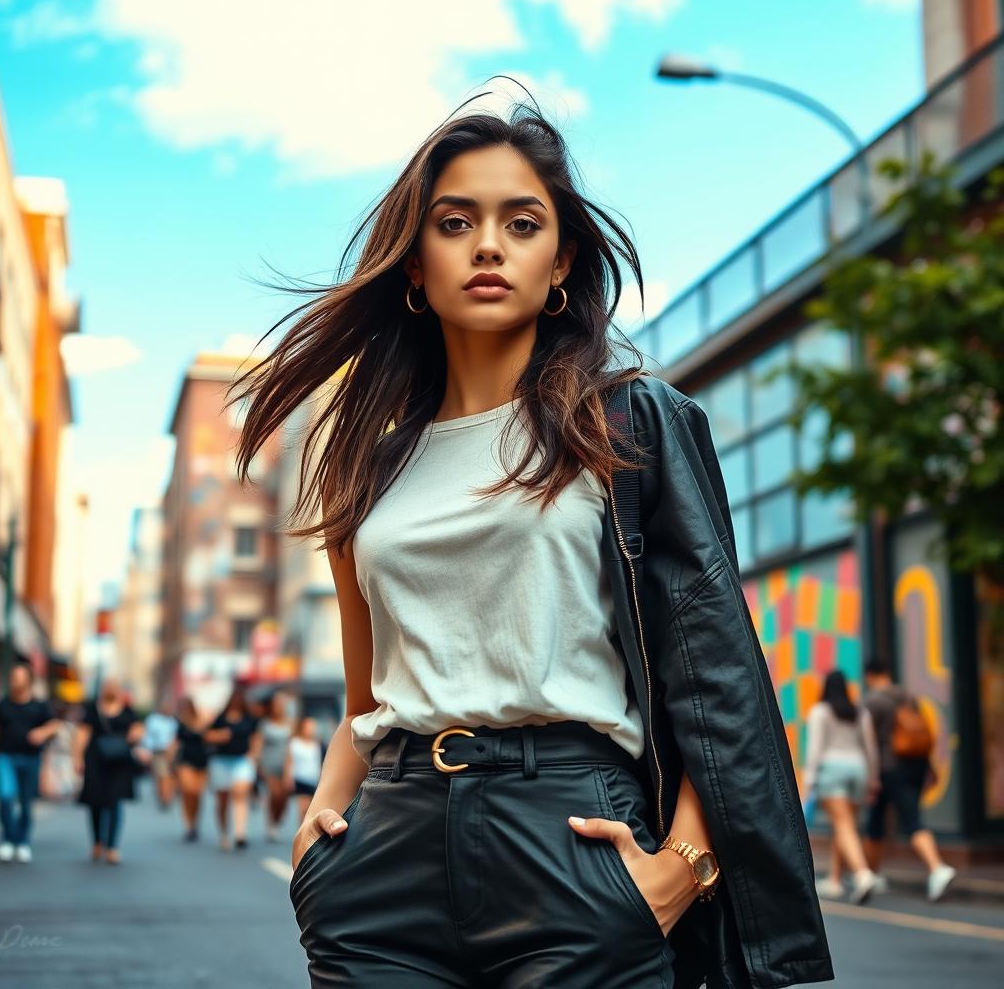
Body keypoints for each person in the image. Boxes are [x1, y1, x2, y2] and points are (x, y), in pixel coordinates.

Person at [231, 100, 833, 987]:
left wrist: (684, 868)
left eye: (521, 223)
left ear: (559, 266)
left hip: (572, 844)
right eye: (454, 222)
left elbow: (715, 681)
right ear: (415, 268)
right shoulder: (368, 472)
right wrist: (323, 829)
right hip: (384, 866)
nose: (487, 245)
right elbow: (367, 701)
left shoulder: (624, 427)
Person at [860, 658, 957, 902]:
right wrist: (932, 768)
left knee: (911, 821)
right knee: (876, 822)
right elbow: (921, 731)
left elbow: (869, 742)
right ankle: (870, 875)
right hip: (916, 764)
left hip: (889, 768)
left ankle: (937, 868)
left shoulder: (872, 701)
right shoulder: (907, 696)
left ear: (869, 676)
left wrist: (871, 776)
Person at [802, 670, 881, 904]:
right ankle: (835, 880)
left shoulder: (820, 711)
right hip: (859, 770)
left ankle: (862, 874)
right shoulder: (860, 712)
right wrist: (873, 778)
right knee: (846, 825)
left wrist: (809, 780)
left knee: (842, 824)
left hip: (833, 769)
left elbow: (815, 748)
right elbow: (871, 748)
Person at [0, 661, 61, 863]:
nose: (15, 682)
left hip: (31, 759)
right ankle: (8, 840)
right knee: (5, 797)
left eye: (19, 677)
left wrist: (42, 732)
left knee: (26, 803)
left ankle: (23, 841)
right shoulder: (1, 705)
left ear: (29, 681)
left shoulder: (40, 706)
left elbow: (55, 725)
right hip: (5, 758)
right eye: (13, 678)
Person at [73, 676, 148, 864]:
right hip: (96, 761)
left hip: (119, 762)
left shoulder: (128, 710)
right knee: (95, 803)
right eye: (108, 687)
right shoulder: (93, 710)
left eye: (115, 687)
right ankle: (98, 841)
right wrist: (78, 758)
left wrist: (135, 736)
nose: (111, 690)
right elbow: (82, 734)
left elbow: (139, 730)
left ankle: (113, 846)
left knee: (115, 803)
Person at [203, 686, 261, 851]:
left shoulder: (249, 719)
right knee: (222, 799)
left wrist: (254, 755)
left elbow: (255, 737)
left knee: (240, 794)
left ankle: (240, 833)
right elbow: (207, 735)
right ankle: (223, 833)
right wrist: (220, 736)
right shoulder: (220, 718)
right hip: (221, 761)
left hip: (242, 761)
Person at [171, 695, 209, 842]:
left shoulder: (202, 721)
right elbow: (175, 742)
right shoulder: (179, 722)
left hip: (201, 760)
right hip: (185, 760)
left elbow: (209, 736)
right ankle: (188, 824)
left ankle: (194, 822)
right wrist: (171, 761)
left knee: (197, 794)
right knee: (188, 791)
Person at [258, 691, 293, 842]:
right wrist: (258, 765)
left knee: (283, 798)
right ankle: (271, 823)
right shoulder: (264, 724)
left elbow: (290, 749)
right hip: (268, 765)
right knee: (275, 794)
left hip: (283, 765)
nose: (279, 707)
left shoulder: (289, 723)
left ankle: (276, 820)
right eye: (276, 704)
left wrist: (289, 770)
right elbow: (259, 746)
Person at [285, 716, 323, 825]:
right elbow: (289, 761)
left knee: (312, 810)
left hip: (314, 778)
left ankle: (307, 829)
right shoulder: (295, 742)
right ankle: (302, 829)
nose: (311, 730)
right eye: (309, 727)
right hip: (300, 778)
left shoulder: (317, 743)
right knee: (303, 809)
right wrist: (288, 777)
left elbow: (320, 761)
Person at [142, 699, 179, 810]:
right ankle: (163, 797)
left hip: (172, 752)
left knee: (170, 776)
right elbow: (148, 736)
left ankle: (168, 796)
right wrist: (147, 750)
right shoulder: (153, 720)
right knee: (162, 776)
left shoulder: (173, 720)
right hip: (158, 751)